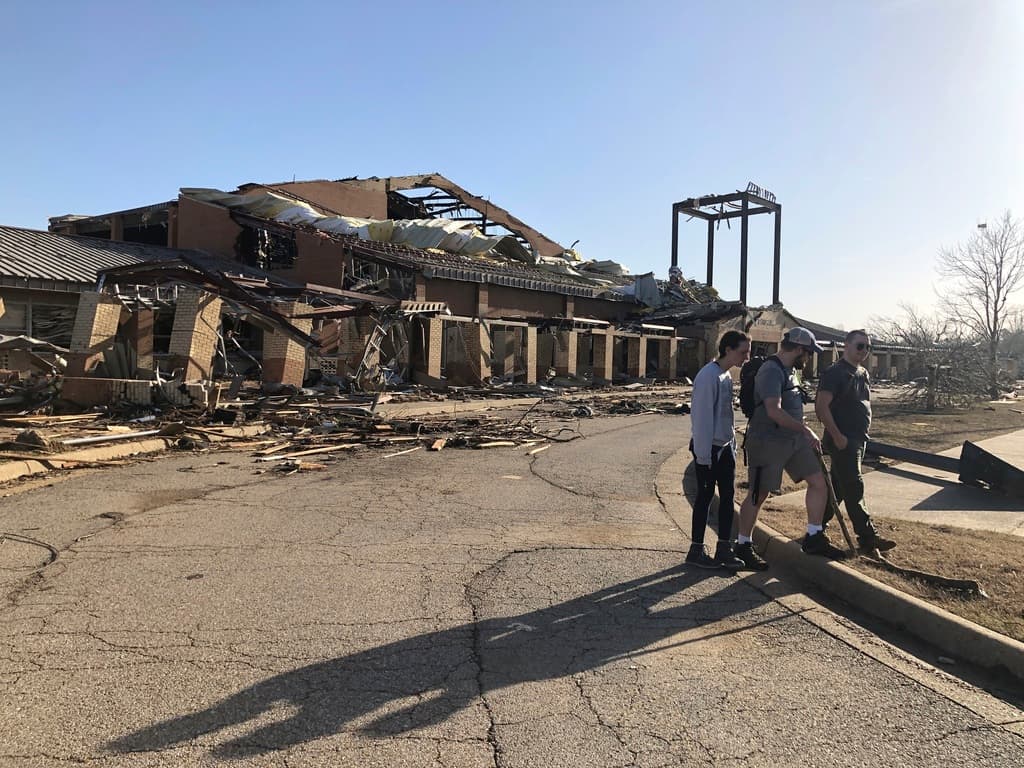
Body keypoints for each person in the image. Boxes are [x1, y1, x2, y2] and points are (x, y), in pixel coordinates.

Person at [735, 327, 847, 570]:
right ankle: (743, 545)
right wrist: (805, 430)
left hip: (794, 440)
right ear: (798, 349)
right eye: (807, 352)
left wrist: (802, 431)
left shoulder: (791, 371)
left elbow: (792, 406)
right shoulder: (771, 371)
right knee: (758, 493)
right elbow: (773, 410)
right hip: (767, 440)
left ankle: (814, 536)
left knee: (819, 481)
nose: (809, 357)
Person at [815, 329, 897, 553]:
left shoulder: (862, 372)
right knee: (855, 486)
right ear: (846, 346)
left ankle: (815, 528)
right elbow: (821, 407)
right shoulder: (835, 373)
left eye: (867, 347)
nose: (864, 351)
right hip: (843, 440)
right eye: (860, 346)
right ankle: (868, 537)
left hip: (858, 439)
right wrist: (838, 435)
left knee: (839, 488)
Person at [686, 330, 750, 570]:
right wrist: (703, 456)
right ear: (728, 349)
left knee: (727, 499)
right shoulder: (708, 376)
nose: (746, 357)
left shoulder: (725, 376)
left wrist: (732, 443)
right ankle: (696, 549)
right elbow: (701, 419)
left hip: (724, 448)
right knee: (704, 498)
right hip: (709, 450)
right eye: (743, 352)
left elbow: (726, 415)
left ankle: (724, 547)